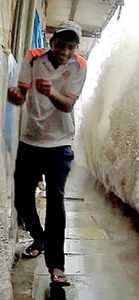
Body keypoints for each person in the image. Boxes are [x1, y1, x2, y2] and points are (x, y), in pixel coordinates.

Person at [7, 20, 87, 287]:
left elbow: (66, 106)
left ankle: (56, 266)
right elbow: (22, 93)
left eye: (70, 46)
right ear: (51, 41)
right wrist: (16, 96)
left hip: (60, 145)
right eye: (59, 44)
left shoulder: (79, 65)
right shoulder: (32, 58)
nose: (64, 51)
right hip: (30, 141)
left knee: (56, 205)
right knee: (21, 200)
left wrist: (51, 91)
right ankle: (38, 237)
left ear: (76, 47)